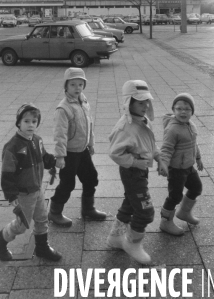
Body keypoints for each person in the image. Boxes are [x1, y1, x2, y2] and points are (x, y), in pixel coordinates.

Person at [0, 103, 61, 262]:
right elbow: (7, 172)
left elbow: (43, 157)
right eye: (26, 121)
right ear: (18, 123)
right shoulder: (12, 147)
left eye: (34, 121)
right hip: (24, 193)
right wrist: (11, 193)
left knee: (42, 219)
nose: (31, 125)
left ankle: (42, 248)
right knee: (22, 225)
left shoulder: (37, 140)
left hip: (37, 189)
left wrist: (54, 161)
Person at [107, 80, 163, 264]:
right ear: (128, 103)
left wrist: (158, 157)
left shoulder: (142, 120)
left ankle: (116, 237)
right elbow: (115, 153)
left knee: (131, 203)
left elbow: (149, 144)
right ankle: (132, 243)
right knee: (145, 211)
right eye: (140, 102)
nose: (145, 105)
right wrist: (136, 163)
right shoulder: (125, 127)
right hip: (131, 172)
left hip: (140, 170)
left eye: (147, 101)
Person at [48, 67, 106, 226]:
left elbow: (89, 124)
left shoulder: (84, 101)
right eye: (73, 84)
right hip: (69, 153)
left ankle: (88, 209)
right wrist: (60, 156)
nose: (77, 88)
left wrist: (91, 143)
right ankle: (54, 212)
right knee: (67, 184)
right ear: (65, 86)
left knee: (91, 178)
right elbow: (60, 134)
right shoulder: (63, 108)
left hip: (83, 150)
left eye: (80, 84)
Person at [158, 92, 203, 235]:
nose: (183, 112)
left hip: (189, 166)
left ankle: (184, 212)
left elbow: (194, 143)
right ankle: (165, 222)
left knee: (196, 188)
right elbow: (166, 148)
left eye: (187, 109)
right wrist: (163, 164)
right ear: (173, 110)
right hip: (176, 169)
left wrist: (198, 158)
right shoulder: (172, 129)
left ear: (192, 112)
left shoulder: (191, 125)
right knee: (175, 196)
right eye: (179, 108)